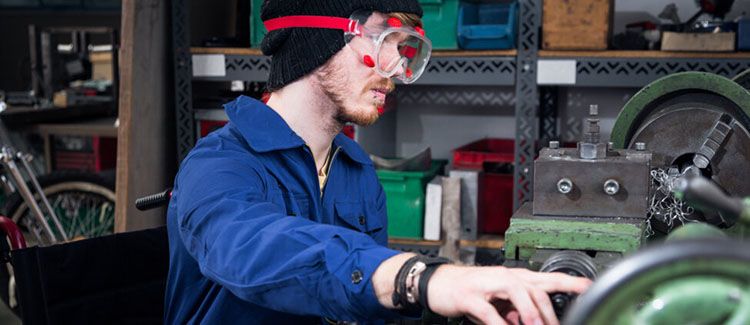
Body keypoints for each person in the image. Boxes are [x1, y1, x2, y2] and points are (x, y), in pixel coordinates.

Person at [163, 0, 591, 324]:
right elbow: (252, 248)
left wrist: (463, 304)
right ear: (318, 41)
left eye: (407, 53)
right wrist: (418, 277)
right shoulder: (218, 165)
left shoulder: (355, 168)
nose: (397, 71)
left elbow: (365, 301)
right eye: (386, 43)